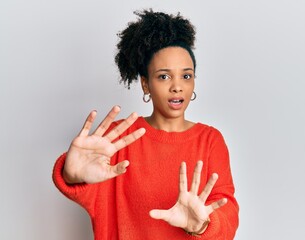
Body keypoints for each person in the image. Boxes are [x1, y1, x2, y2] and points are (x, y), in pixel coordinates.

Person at [53, 9, 239, 239]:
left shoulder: (210, 140)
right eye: (164, 76)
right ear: (145, 84)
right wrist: (71, 175)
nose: (177, 86)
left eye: (186, 76)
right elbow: (92, 196)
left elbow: (227, 215)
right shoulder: (117, 138)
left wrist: (201, 225)